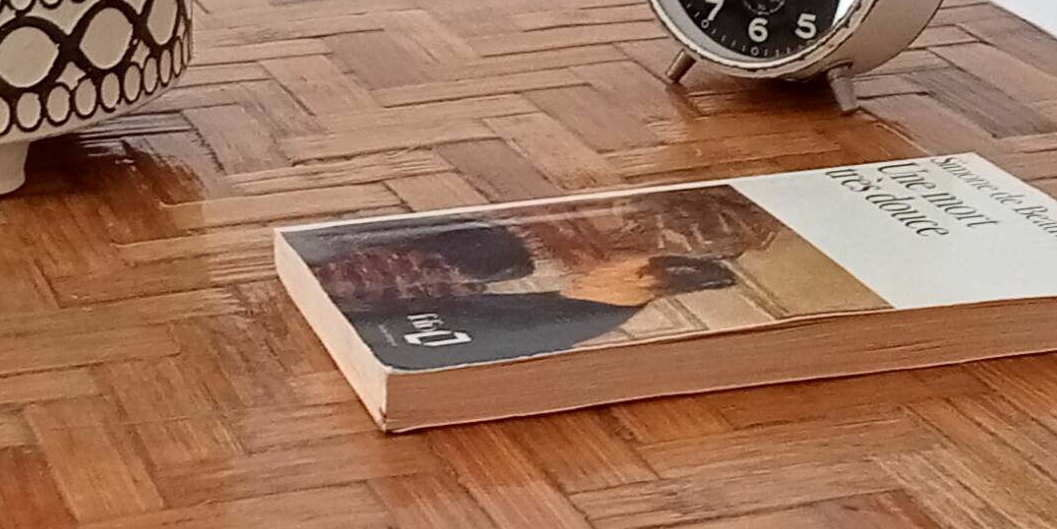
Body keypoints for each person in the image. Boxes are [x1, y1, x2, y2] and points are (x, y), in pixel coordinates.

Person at [305, 184, 793, 370]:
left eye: (632, 241)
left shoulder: (560, 311)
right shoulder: (518, 262)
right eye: (627, 228)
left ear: (649, 274)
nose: (614, 238)